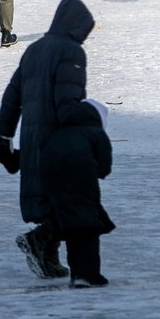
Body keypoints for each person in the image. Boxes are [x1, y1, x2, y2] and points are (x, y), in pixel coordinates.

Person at [0, 0, 98, 281]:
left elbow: (12, 94)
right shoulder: (71, 51)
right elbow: (67, 102)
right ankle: (39, 240)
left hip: (33, 136)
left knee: (49, 198)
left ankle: (48, 257)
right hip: (56, 137)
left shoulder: (34, 50)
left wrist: (4, 134)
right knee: (74, 201)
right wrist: (85, 126)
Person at [43, 97, 115, 287]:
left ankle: (77, 273)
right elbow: (104, 168)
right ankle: (89, 275)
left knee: (71, 227)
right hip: (81, 181)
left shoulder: (62, 130)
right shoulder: (96, 133)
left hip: (54, 182)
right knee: (89, 226)